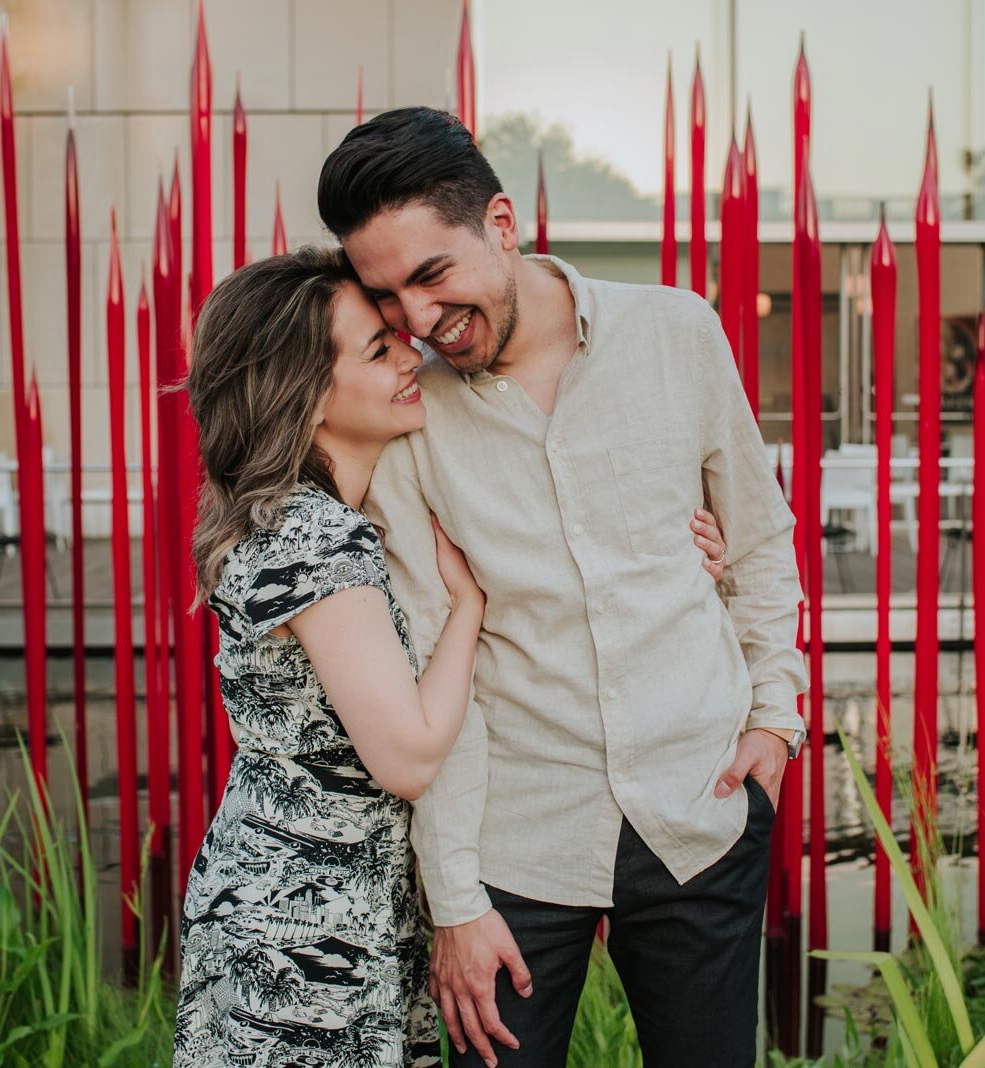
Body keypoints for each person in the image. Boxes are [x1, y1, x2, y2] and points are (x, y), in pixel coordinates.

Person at [317, 107, 809, 1068]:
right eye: (389, 298)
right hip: (516, 840)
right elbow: (426, 661)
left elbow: (757, 540)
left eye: (432, 275)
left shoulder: (678, 335)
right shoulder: (412, 418)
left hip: (700, 807)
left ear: (501, 223)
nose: (419, 322)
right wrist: (454, 897)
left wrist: (776, 722)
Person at [173, 245, 733, 1068]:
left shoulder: (330, 521)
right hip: (307, 917)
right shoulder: (315, 538)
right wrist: (470, 607)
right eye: (378, 348)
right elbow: (405, 753)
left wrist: (680, 565)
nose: (413, 351)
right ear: (307, 394)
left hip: (330, 895)